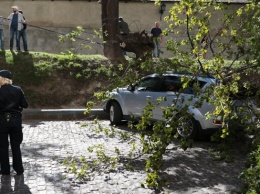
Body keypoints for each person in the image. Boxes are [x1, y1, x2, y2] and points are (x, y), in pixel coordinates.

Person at [0, 70, 29, 176]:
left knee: (2, 147)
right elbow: (25, 104)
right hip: (15, 120)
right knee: (16, 146)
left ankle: (5, 170)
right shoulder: (18, 89)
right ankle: (19, 169)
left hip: (2, 121)